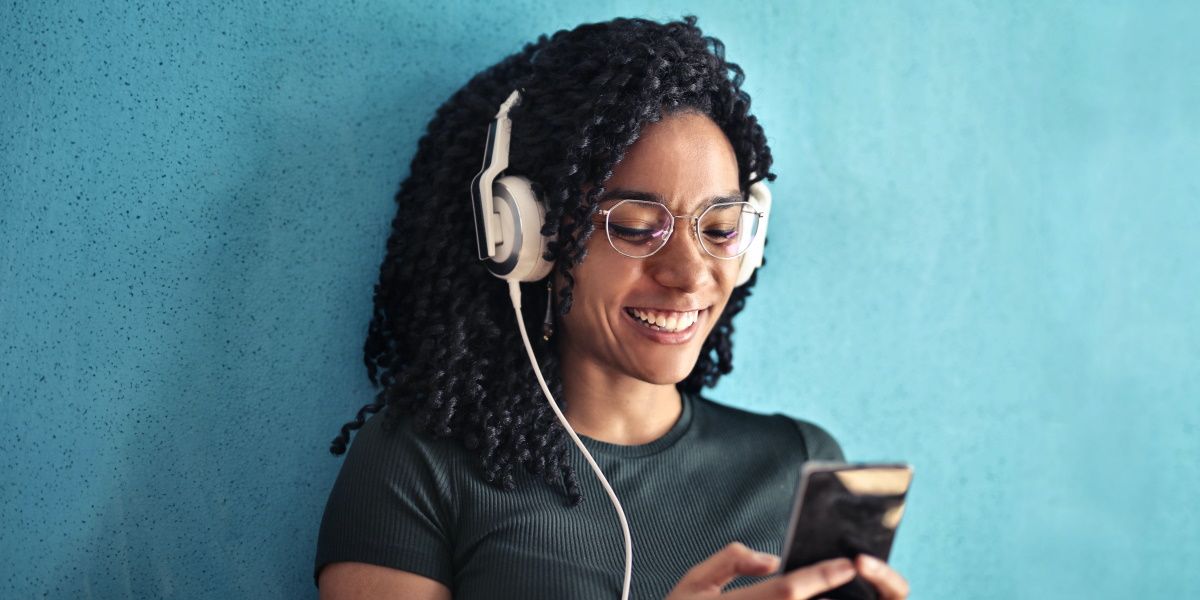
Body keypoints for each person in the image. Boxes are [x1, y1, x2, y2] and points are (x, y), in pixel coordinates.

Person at [315, 16, 909, 600]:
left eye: (722, 227)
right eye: (634, 226)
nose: (688, 274)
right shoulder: (418, 464)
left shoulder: (801, 465)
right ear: (524, 238)